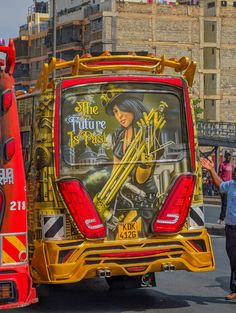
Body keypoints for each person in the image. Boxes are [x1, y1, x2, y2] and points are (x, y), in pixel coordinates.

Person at [200, 156, 236, 301]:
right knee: (233, 260)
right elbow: (219, 185)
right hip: (231, 229)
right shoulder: (232, 185)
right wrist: (211, 170)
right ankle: (235, 290)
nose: (234, 173)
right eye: (234, 172)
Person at [218, 151, 234, 224]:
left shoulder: (231, 165)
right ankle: (221, 219)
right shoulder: (222, 164)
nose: (228, 157)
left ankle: (229, 219)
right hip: (224, 186)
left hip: (231, 186)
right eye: (227, 155)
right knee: (224, 204)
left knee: (231, 204)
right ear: (225, 156)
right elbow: (219, 176)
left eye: (229, 156)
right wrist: (220, 188)